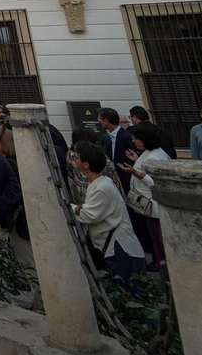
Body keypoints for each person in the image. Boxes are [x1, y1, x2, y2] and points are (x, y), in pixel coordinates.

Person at [71, 141, 145, 285]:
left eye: (76, 157)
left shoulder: (102, 187)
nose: (73, 160)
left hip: (119, 250)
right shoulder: (99, 183)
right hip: (113, 247)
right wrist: (81, 208)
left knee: (126, 289)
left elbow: (89, 215)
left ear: (86, 164)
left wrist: (73, 207)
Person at [119, 122, 169, 266]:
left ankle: (162, 267)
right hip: (150, 206)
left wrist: (134, 171)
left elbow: (155, 182)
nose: (134, 141)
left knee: (159, 240)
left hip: (154, 207)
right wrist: (137, 160)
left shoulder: (154, 156)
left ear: (144, 139)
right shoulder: (153, 152)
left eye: (136, 138)